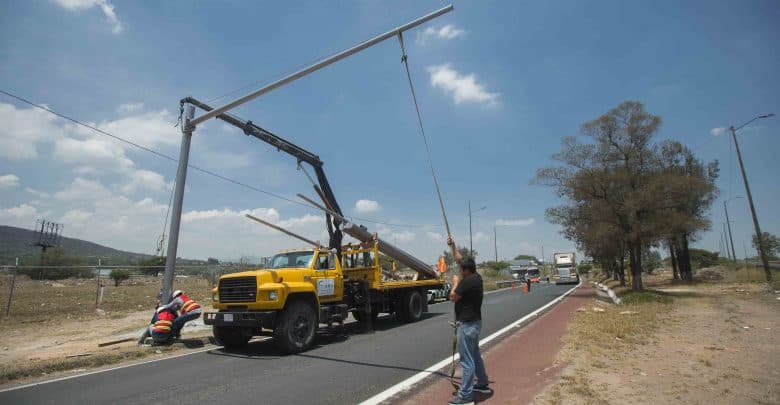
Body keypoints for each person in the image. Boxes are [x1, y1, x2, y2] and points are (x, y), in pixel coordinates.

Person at [447, 236, 492, 405]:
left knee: (467, 361)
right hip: (474, 323)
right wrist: (453, 246)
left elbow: (453, 297)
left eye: (460, 269)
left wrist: (455, 283)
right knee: (475, 356)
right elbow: (460, 259)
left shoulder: (466, 282)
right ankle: (482, 384)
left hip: (467, 325)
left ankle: (465, 397)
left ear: (465, 270)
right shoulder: (476, 277)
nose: (458, 269)